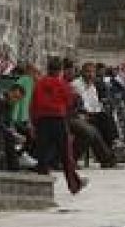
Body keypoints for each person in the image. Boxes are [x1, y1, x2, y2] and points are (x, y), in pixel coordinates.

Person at [31, 57, 86, 195]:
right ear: (60, 70)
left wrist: (33, 123)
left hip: (42, 121)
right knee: (66, 154)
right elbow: (69, 103)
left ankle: (41, 185)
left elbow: (33, 105)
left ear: (48, 69)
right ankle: (74, 184)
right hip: (58, 121)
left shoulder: (39, 83)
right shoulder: (63, 85)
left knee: (42, 153)